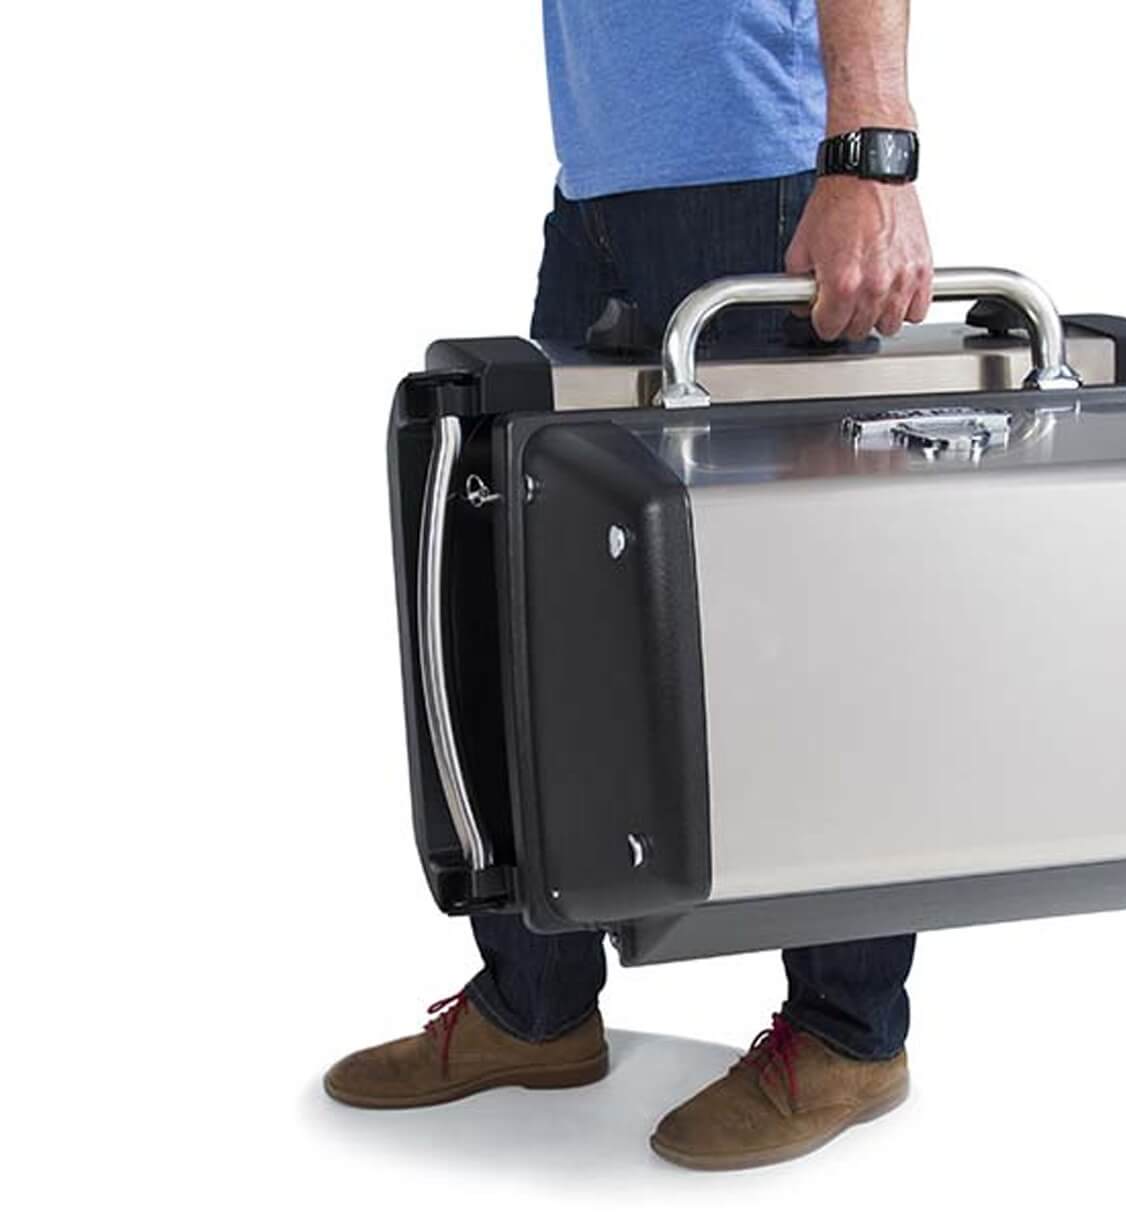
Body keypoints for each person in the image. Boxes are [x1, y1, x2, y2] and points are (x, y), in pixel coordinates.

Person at [325, 1, 932, 1170]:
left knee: (804, 639)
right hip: (599, 196)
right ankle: (537, 1007)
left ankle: (848, 1034)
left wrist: (870, 154)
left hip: (766, 193)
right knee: (539, 623)